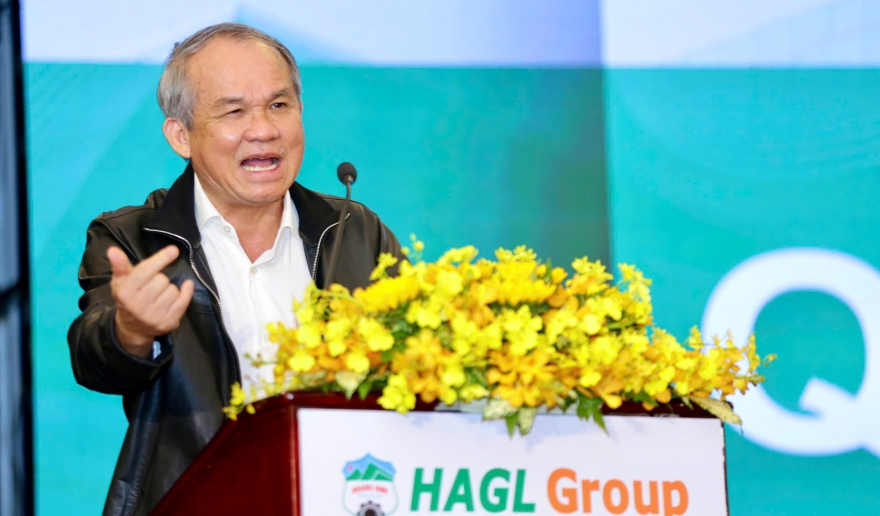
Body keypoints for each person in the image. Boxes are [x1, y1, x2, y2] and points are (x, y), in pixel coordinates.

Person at [67, 23, 404, 516]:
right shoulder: (135, 239)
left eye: (279, 105)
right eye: (234, 111)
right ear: (181, 135)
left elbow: (415, 361)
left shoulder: (355, 231)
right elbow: (94, 358)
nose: (264, 129)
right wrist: (132, 331)